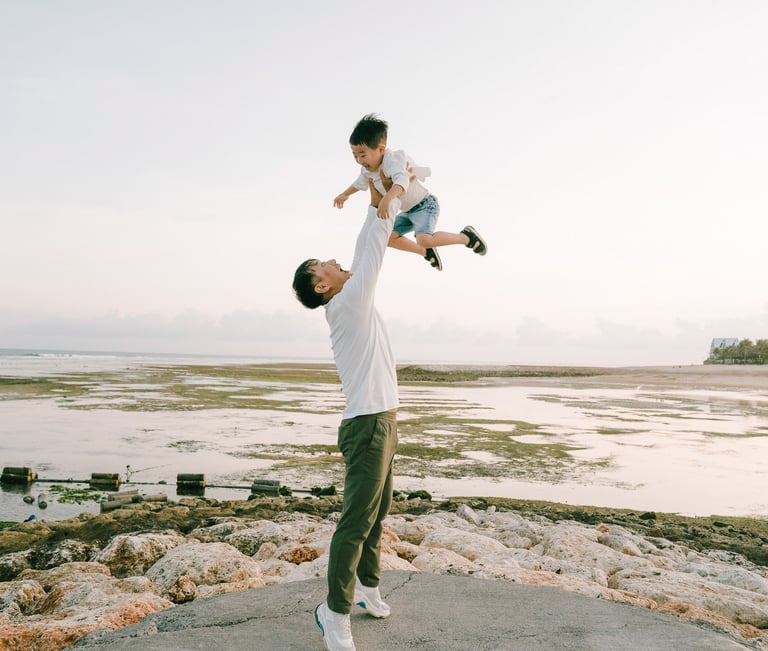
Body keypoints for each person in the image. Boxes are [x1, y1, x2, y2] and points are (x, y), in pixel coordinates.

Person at [293, 178, 399, 651]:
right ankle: (333, 614)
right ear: (322, 285)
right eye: (324, 264)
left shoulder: (348, 299)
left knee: (377, 517)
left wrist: (376, 193)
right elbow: (371, 242)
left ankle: (369, 589)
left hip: (384, 420)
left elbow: (364, 248)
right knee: (356, 522)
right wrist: (388, 196)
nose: (334, 261)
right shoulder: (348, 301)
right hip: (367, 426)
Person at [333, 113, 488, 272]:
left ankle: (466, 237)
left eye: (362, 154)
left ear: (380, 149)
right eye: (355, 155)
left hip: (425, 205)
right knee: (387, 237)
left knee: (424, 239)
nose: (359, 160)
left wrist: (387, 199)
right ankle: (424, 251)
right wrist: (345, 194)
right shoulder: (368, 169)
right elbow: (359, 182)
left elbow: (402, 181)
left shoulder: (393, 160)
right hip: (408, 211)